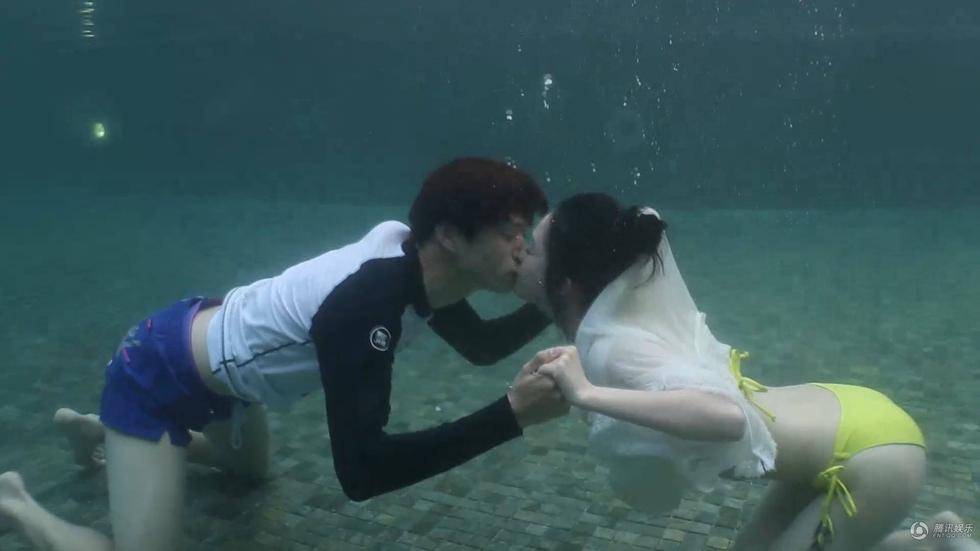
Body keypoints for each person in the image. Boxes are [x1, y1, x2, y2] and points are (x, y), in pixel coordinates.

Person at [0, 157, 569, 551]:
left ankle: (104, 434)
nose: (522, 249)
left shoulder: (421, 267)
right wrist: (512, 415)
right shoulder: (368, 302)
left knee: (250, 476)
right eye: (509, 233)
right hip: (156, 375)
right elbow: (363, 471)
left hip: (224, 372)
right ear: (449, 235)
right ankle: (19, 502)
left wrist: (558, 300)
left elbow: (480, 346)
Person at [513, 192, 977, 551]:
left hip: (872, 455)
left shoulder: (612, 344)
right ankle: (939, 536)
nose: (520, 256)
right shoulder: (619, 318)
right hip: (842, 423)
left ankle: (942, 540)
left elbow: (727, 417)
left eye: (532, 250)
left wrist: (586, 394)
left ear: (566, 283)